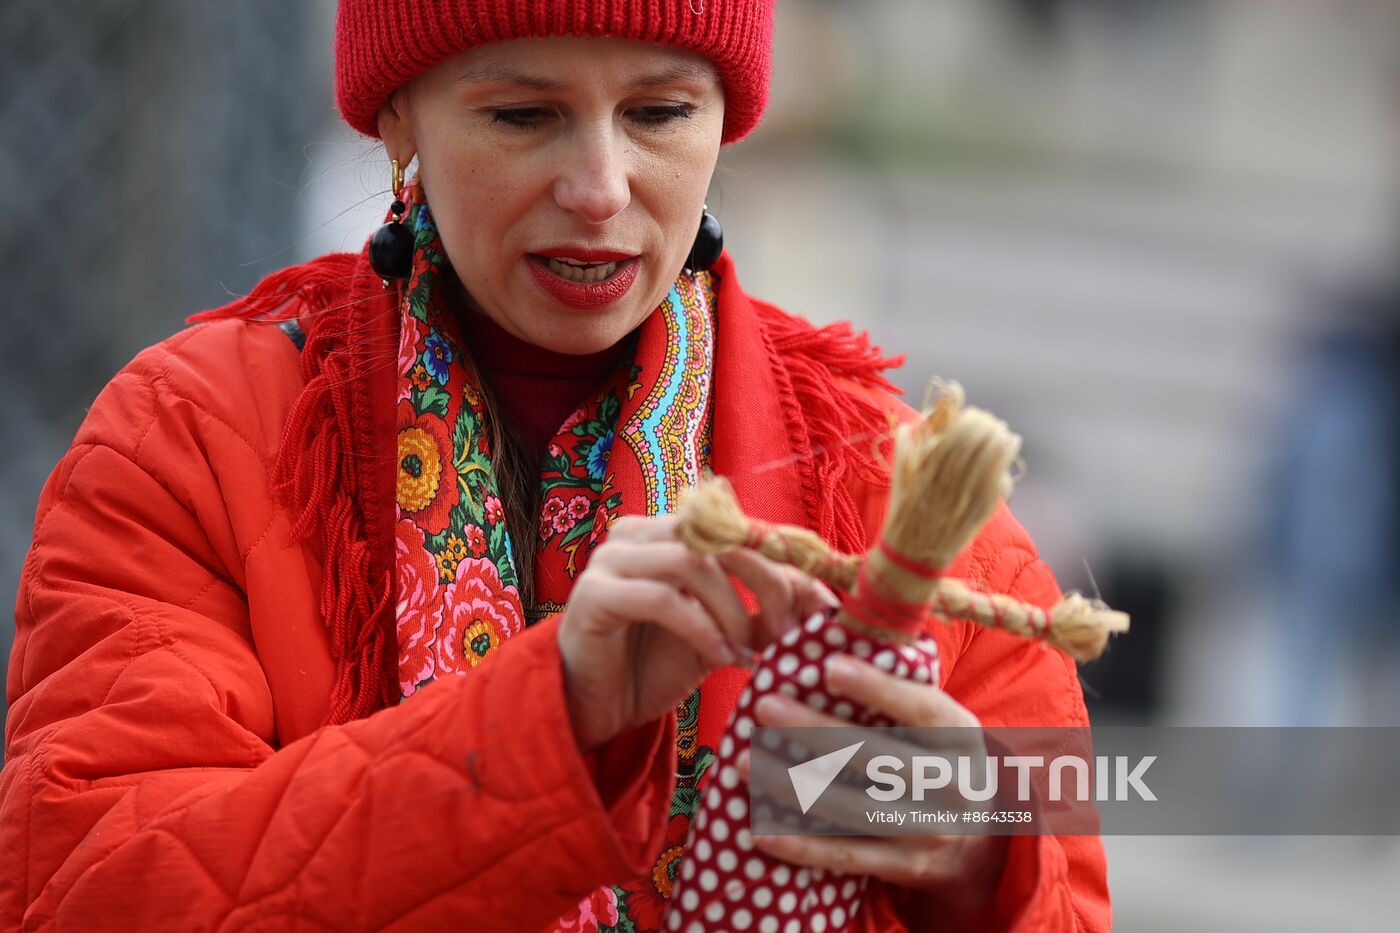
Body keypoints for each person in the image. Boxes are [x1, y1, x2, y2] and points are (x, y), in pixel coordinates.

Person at [1, 2, 1110, 929]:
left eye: (659, 112)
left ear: (728, 122)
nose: (599, 186)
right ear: (398, 118)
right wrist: (551, 721)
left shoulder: (897, 493)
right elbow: (87, 885)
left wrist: (975, 858)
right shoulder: (196, 436)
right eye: (524, 114)